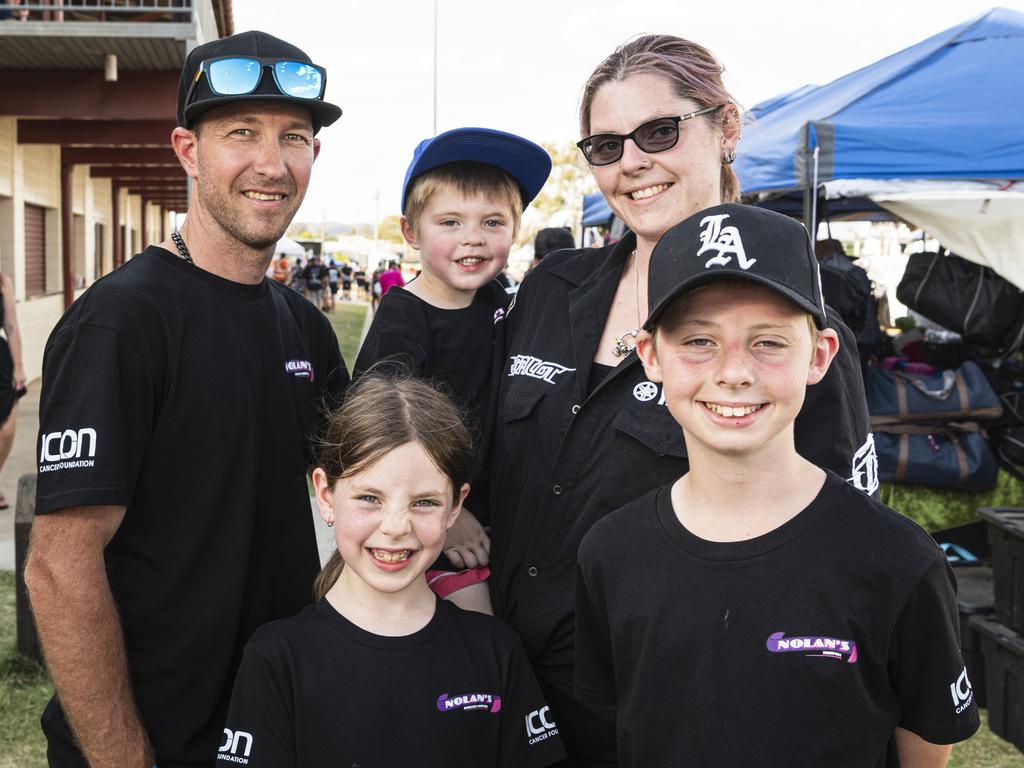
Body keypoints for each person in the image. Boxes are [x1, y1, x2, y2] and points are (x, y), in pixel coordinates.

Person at [487, 35, 875, 765]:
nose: (632, 161)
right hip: (512, 686)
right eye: (605, 145)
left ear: (725, 129)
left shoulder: (792, 331)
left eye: (660, 131)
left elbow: (843, 552)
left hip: (672, 704)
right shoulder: (549, 289)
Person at [24, 30, 349, 768]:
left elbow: (355, 502)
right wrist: (125, 759)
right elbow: (59, 567)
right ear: (187, 151)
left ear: (314, 156)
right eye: (241, 133)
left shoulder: (303, 327)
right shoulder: (121, 324)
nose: (271, 164)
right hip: (152, 742)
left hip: (273, 729)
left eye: (292, 137)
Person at [575, 203, 979, 767]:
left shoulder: (897, 560)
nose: (734, 372)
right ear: (650, 356)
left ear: (819, 356)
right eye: (698, 341)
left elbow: (925, 745)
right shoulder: (610, 553)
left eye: (768, 341)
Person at [219, 374, 565, 767]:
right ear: (326, 494)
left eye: (424, 502)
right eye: (370, 498)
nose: (396, 526)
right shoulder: (277, 660)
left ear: (456, 504)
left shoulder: (497, 653)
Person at [354, 127, 551, 614]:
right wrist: (444, 512)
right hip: (432, 526)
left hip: (497, 518)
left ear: (516, 229)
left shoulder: (502, 303)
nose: (473, 239)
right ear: (411, 232)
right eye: (449, 222)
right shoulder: (404, 319)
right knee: (479, 647)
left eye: (492, 222)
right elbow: (382, 433)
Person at [0, 272, 26, 509]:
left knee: (6, 430)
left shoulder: (3, 282)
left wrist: (18, 367)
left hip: (1, 361)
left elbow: (11, 327)